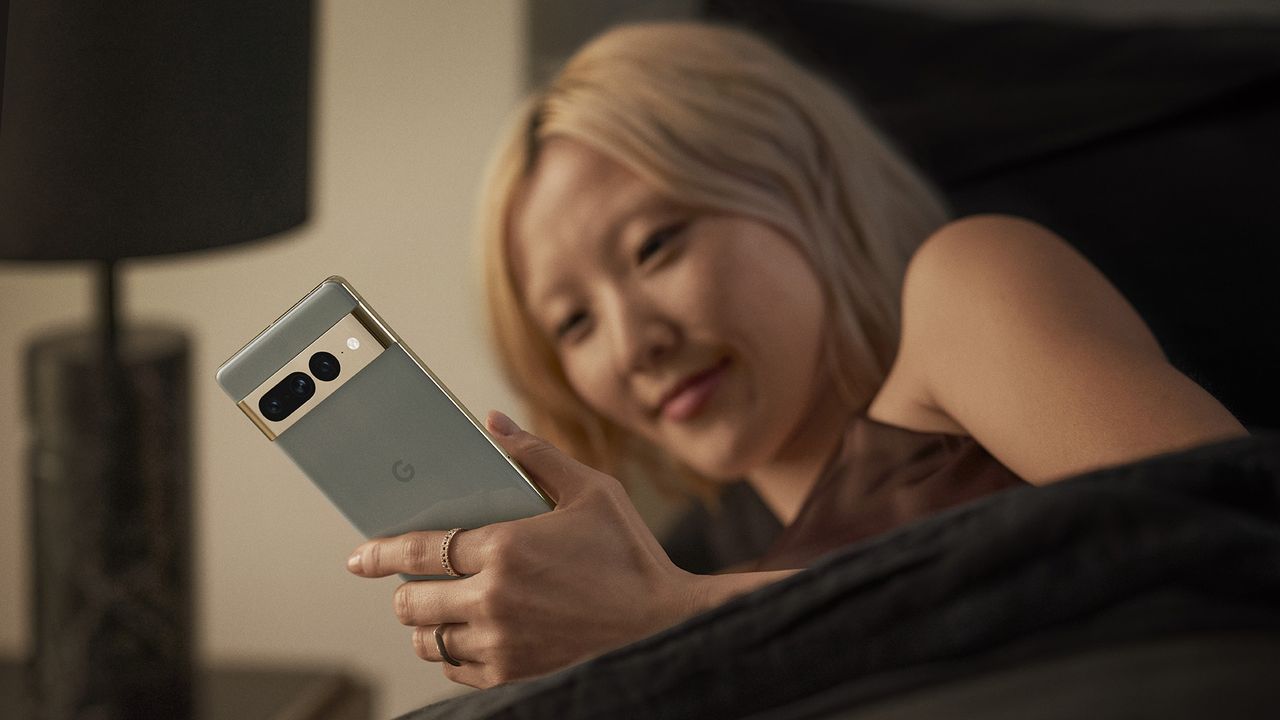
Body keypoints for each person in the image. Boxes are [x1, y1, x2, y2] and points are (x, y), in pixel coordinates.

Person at [343, 22, 1247, 689]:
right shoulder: (690, 567)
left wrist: (666, 621)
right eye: (573, 324)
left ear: (800, 184)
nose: (633, 343)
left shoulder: (967, 288)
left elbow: (1228, 536)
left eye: (657, 246)